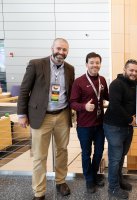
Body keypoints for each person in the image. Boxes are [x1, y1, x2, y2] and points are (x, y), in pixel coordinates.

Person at [17, 38, 75, 200]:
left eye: (64, 50)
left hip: (62, 115)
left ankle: (60, 181)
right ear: (52, 48)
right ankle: (39, 191)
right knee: (39, 156)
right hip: (40, 116)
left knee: (62, 151)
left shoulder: (70, 69)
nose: (61, 52)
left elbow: (70, 93)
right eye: (59, 48)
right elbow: (24, 90)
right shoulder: (36, 64)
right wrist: (22, 114)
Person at [70, 52, 109, 193]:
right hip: (84, 126)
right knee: (86, 153)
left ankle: (93, 174)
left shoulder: (103, 80)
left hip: (100, 125)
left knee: (99, 152)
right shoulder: (78, 81)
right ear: (86, 64)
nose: (95, 65)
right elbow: (72, 103)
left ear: (100, 64)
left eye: (97, 62)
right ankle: (89, 179)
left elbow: (107, 97)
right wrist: (84, 107)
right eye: (92, 62)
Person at [103, 59, 137, 199]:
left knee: (121, 156)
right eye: (131, 70)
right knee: (115, 158)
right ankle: (113, 188)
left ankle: (119, 180)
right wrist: (131, 119)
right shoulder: (116, 84)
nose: (134, 73)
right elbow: (115, 106)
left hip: (128, 127)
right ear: (124, 69)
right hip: (114, 126)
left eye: (136, 71)